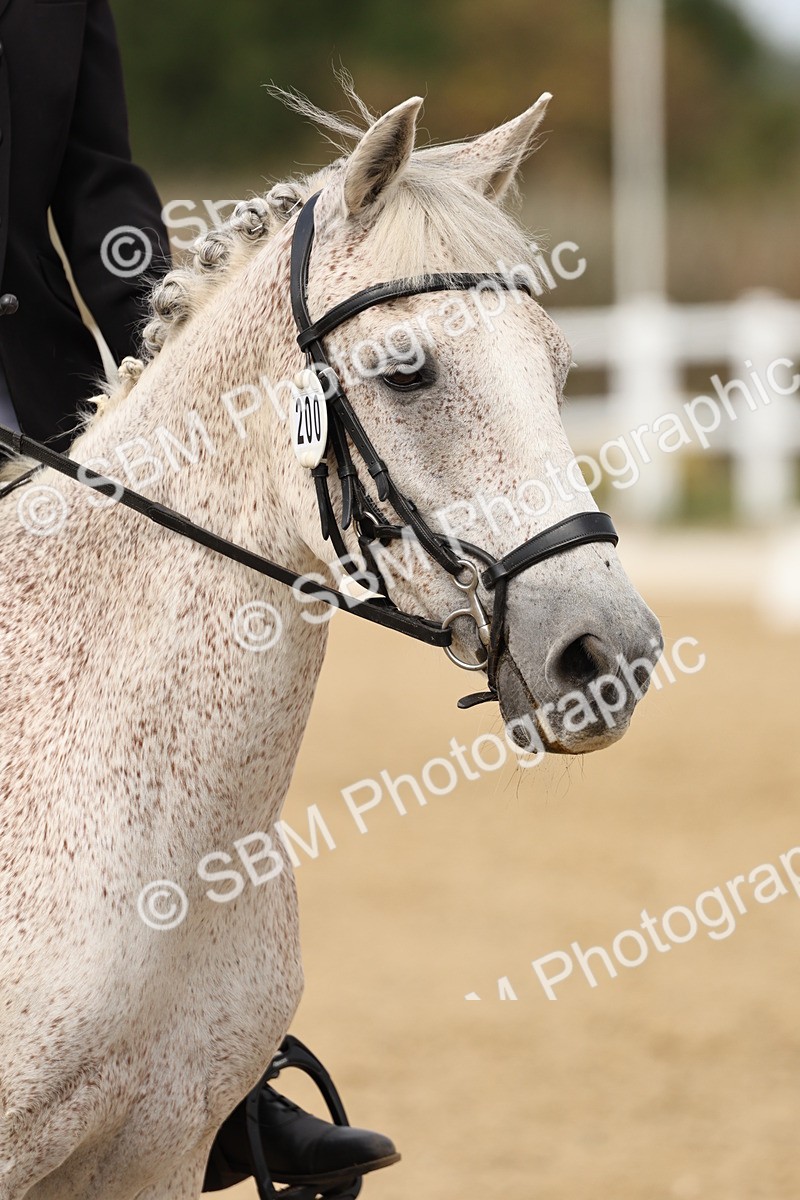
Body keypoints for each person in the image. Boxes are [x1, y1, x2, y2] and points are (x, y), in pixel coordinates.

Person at [0, 1, 398, 1192]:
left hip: (40, 400)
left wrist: (172, 360)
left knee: (175, 685)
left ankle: (213, 1074)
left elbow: (102, 191)